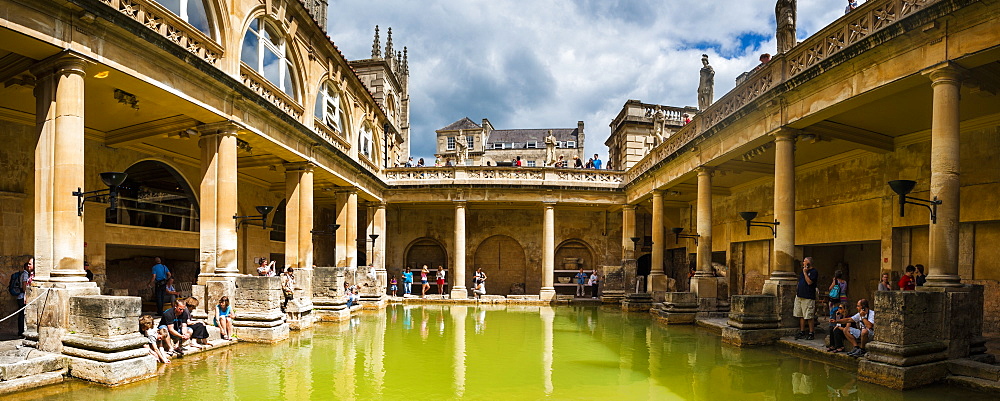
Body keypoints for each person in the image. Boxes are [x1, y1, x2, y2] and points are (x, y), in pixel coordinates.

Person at [794, 257, 819, 340]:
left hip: (808, 297)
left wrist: (805, 272)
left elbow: (809, 282)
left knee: (808, 316)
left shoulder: (813, 272)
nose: (803, 263)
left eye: (804, 261)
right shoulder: (802, 272)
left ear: (809, 263)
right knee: (800, 315)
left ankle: (811, 332)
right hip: (800, 296)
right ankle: (802, 331)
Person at [12, 258, 33, 337]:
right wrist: (26, 294)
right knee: (22, 315)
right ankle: (21, 331)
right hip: (22, 296)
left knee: (22, 314)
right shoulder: (25, 274)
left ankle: (21, 331)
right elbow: (24, 284)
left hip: (20, 296)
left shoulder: (23, 274)